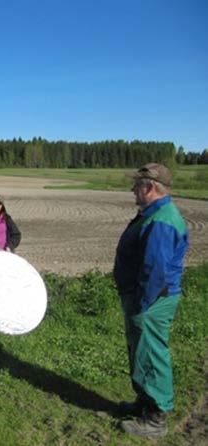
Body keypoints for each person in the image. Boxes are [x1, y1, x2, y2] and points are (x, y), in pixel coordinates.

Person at [113, 163, 189, 438]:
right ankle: (145, 403)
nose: (133, 189)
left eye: (137, 185)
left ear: (150, 187)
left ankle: (156, 418)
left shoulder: (162, 220)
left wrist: (142, 307)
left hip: (151, 301)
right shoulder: (154, 214)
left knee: (151, 355)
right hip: (146, 299)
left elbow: (154, 269)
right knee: (141, 352)